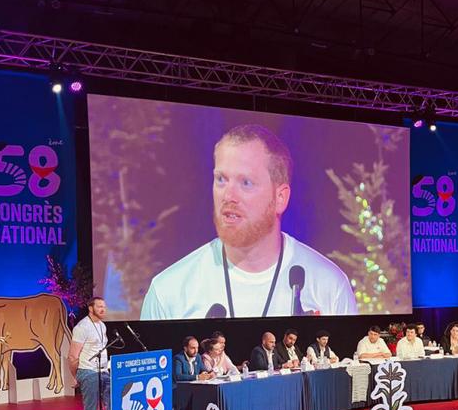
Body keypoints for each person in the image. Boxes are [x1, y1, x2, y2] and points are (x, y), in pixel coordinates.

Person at [140, 124, 358, 319]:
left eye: (246, 182)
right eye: (221, 179)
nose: (228, 195)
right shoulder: (169, 291)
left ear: (280, 198)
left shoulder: (328, 285)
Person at [68, 296, 112, 410]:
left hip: (104, 371)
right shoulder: (82, 327)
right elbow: (72, 356)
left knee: (111, 407)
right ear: (90, 308)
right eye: (99, 306)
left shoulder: (102, 326)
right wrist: (76, 376)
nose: (103, 309)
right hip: (88, 372)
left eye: (104, 306)